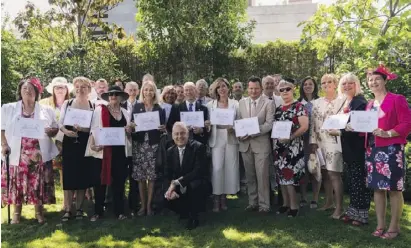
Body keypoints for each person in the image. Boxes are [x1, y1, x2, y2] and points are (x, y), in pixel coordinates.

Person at [1, 78, 59, 224]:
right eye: (25, 88)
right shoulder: (8, 108)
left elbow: (55, 128)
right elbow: (1, 128)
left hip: (39, 154)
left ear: (37, 92)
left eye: (31, 89)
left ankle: (39, 213)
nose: (28, 91)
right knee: (17, 184)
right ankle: (16, 213)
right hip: (17, 153)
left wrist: (52, 131)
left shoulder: (47, 110)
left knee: (38, 183)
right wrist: (4, 144)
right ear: (20, 91)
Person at [364, 65, 411, 239]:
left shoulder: (397, 99)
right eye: (370, 79)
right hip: (373, 149)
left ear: (385, 80)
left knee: (393, 189)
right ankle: (380, 225)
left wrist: (388, 133)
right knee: (377, 188)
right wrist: (353, 126)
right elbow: (368, 128)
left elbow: (407, 123)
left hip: (392, 149)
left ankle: (394, 227)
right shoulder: (369, 105)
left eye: (377, 79)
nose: (373, 82)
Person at [86, 86, 131, 221]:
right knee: (99, 183)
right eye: (111, 94)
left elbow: (128, 133)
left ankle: (119, 212)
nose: (113, 96)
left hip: (120, 152)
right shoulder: (100, 110)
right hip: (104, 151)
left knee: (119, 182)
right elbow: (94, 129)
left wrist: (129, 131)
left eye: (117, 94)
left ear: (121, 97)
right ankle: (98, 212)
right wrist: (93, 144)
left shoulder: (125, 112)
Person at [336, 73, 371, 225]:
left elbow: (358, 127)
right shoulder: (347, 102)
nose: (347, 86)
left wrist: (338, 131)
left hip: (357, 149)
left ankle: (361, 215)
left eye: (350, 83)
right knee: (353, 181)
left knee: (359, 182)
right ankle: (353, 211)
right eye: (344, 84)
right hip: (349, 148)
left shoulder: (359, 102)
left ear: (356, 84)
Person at [310, 74, 346, 219]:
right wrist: (312, 142)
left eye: (329, 82)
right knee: (325, 173)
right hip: (320, 142)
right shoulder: (316, 102)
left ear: (335, 83)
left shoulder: (343, 100)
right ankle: (329, 203)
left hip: (335, 142)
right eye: (323, 82)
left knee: (334, 174)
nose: (326, 84)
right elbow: (313, 123)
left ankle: (339, 208)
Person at [164, 122, 212, 230]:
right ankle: (184, 212)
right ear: (172, 136)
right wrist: (171, 189)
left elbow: (198, 171)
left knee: (193, 186)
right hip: (180, 184)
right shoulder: (170, 151)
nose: (179, 136)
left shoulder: (199, 147)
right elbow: (168, 173)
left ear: (188, 134)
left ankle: (194, 217)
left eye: (182, 133)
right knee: (167, 195)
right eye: (176, 134)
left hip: (197, 183)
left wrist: (177, 183)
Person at [59, 77, 95, 222]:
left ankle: (79, 209)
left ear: (89, 89)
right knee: (69, 177)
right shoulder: (67, 104)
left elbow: (93, 127)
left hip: (84, 143)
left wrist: (84, 129)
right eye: (77, 87)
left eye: (83, 87)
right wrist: (66, 132)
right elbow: (60, 123)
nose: (80, 89)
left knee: (82, 177)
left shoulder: (92, 105)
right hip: (69, 142)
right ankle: (68, 209)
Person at [237, 76, 274, 213]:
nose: (253, 91)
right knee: (250, 176)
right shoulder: (241, 102)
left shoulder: (268, 103)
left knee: (262, 176)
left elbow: (269, 124)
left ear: (261, 88)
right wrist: (239, 133)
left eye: (256, 88)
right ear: (248, 88)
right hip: (245, 144)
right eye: (251, 88)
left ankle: (264, 205)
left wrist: (253, 132)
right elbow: (239, 121)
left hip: (261, 144)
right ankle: (252, 202)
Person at [273, 78, 308, 217]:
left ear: (293, 89)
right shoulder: (278, 109)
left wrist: (291, 137)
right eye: (282, 89)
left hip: (293, 147)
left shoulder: (299, 107)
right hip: (279, 148)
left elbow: (305, 126)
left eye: (287, 89)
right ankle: (285, 204)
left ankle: (294, 206)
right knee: (281, 178)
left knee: (290, 178)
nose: (285, 91)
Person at [130, 81, 166, 216]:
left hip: (153, 145)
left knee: (151, 177)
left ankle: (149, 206)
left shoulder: (159, 108)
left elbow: (163, 128)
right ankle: (142, 206)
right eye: (146, 90)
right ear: (142, 92)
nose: (148, 92)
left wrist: (163, 128)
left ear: (154, 92)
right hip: (139, 145)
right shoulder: (137, 107)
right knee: (140, 177)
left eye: (151, 90)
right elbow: (132, 126)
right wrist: (132, 125)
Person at [206, 78, 240, 212]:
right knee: (217, 168)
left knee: (229, 168)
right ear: (216, 90)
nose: (222, 89)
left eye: (224, 86)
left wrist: (234, 128)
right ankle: (216, 197)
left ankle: (224, 197)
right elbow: (207, 124)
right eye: (219, 87)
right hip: (216, 137)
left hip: (230, 137)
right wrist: (207, 125)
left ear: (228, 88)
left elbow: (241, 121)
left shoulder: (235, 104)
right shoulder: (210, 105)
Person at [39, 77, 73, 209]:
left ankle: (67, 202)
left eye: (62, 87)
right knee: (45, 173)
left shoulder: (71, 103)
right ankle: (42, 204)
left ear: (67, 89)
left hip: (67, 141)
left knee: (66, 173)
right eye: (57, 87)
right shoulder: (43, 103)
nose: (60, 90)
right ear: (52, 89)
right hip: (47, 142)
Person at [297, 76, 320, 208]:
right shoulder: (298, 103)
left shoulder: (319, 102)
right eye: (305, 84)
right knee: (303, 169)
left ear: (314, 86)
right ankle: (303, 197)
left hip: (316, 141)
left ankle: (315, 199)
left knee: (315, 169)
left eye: (310, 84)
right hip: (302, 140)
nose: (307, 86)